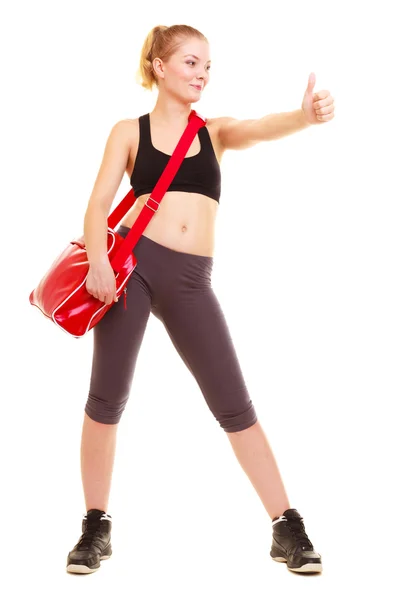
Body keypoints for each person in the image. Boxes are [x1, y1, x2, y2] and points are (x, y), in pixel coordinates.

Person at [66, 24, 335, 576]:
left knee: (234, 405)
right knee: (107, 398)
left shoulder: (213, 132)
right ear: (160, 66)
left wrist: (303, 116)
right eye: (191, 63)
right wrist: (98, 261)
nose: (202, 75)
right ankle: (95, 526)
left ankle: (286, 526)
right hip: (131, 271)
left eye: (208, 67)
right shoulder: (128, 132)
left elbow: (260, 128)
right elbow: (97, 208)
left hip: (191, 280)